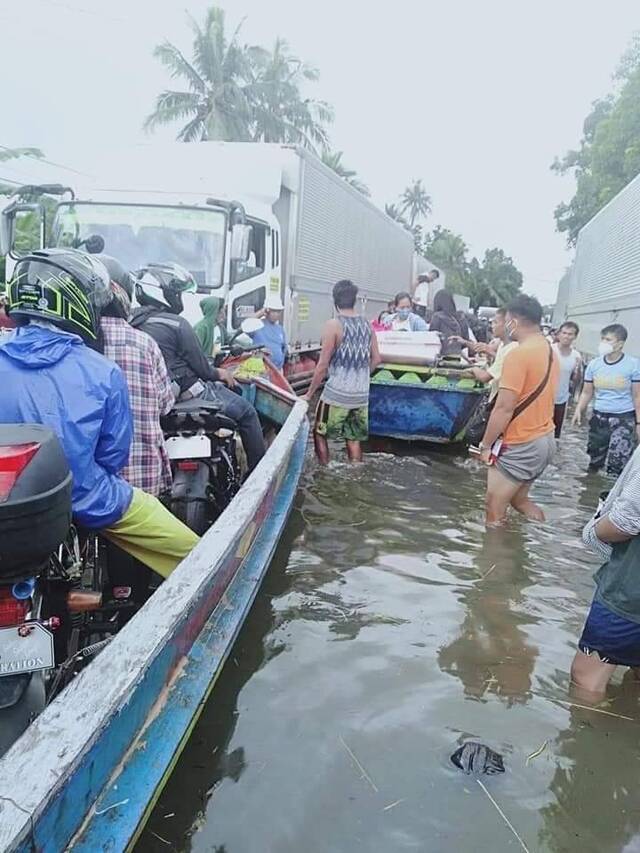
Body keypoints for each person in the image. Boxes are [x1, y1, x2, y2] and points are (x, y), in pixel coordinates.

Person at [1, 248, 199, 579]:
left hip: (8, 503)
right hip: (87, 498)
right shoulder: (102, 371)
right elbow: (112, 458)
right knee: (198, 558)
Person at [130, 263, 266, 472]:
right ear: (164, 293)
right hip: (187, 392)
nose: (179, 298)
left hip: (147, 402)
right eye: (177, 293)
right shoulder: (177, 323)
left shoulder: (131, 324)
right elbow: (202, 368)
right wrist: (220, 373)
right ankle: (259, 475)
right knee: (247, 413)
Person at [98, 254, 175, 497]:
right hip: (143, 480)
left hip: (90, 489)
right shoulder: (145, 343)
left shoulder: (76, 343)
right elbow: (165, 405)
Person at [479, 295, 559, 525]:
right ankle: (539, 532)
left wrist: (485, 445)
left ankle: (496, 560)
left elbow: (504, 408)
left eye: (505, 320)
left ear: (514, 320)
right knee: (520, 501)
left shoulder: (518, 354)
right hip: (545, 439)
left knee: (494, 507)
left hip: (521, 442)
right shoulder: (548, 349)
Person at [571, 446, 640, 697]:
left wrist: (594, 530)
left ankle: (588, 732)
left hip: (631, 591)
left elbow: (626, 521)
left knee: (586, 678)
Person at [303, 279, 381, 464]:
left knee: (319, 433)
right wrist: (360, 377)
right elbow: (377, 359)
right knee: (353, 438)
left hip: (337, 393)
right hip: (361, 395)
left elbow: (322, 365)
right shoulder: (367, 325)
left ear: (335, 301)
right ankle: (355, 470)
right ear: (354, 300)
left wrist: (309, 394)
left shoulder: (333, 325)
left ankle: (325, 469)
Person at [572, 323, 640, 478]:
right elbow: (587, 392)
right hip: (599, 417)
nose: (603, 343)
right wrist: (578, 410)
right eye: (602, 339)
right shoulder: (594, 365)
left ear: (620, 344)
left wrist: (638, 424)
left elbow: (637, 396)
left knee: (618, 461)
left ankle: (611, 495)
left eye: (608, 339)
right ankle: (590, 492)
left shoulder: (633, 365)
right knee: (594, 459)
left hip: (623, 418)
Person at [468, 308, 518, 402]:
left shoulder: (511, 348)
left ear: (507, 324)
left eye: (495, 322)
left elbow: (484, 377)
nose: (492, 326)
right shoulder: (502, 345)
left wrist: (472, 369)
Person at [552, 321, 582, 439]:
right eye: (564, 333)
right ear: (558, 334)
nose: (566, 336)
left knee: (556, 433)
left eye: (570, 334)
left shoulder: (576, 356)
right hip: (544, 398)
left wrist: (578, 371)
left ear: (575, 337)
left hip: (561, 399)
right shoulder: (549, 350)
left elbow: (576, 381)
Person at [249, 293, 288, 370]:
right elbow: (246, 325)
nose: (277, 314)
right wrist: (261, 312)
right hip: (260, 369)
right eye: (274, 311)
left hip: (277, 370)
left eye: (278, 311)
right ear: (267, 311)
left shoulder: (280, 329)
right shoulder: (257, 325)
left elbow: (283, 348)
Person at [429, 289, 471, 356]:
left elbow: (431, 338)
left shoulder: (437, 317)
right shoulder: (461, 318)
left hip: (441, 356)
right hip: (458, 356)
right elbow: (465, 341)